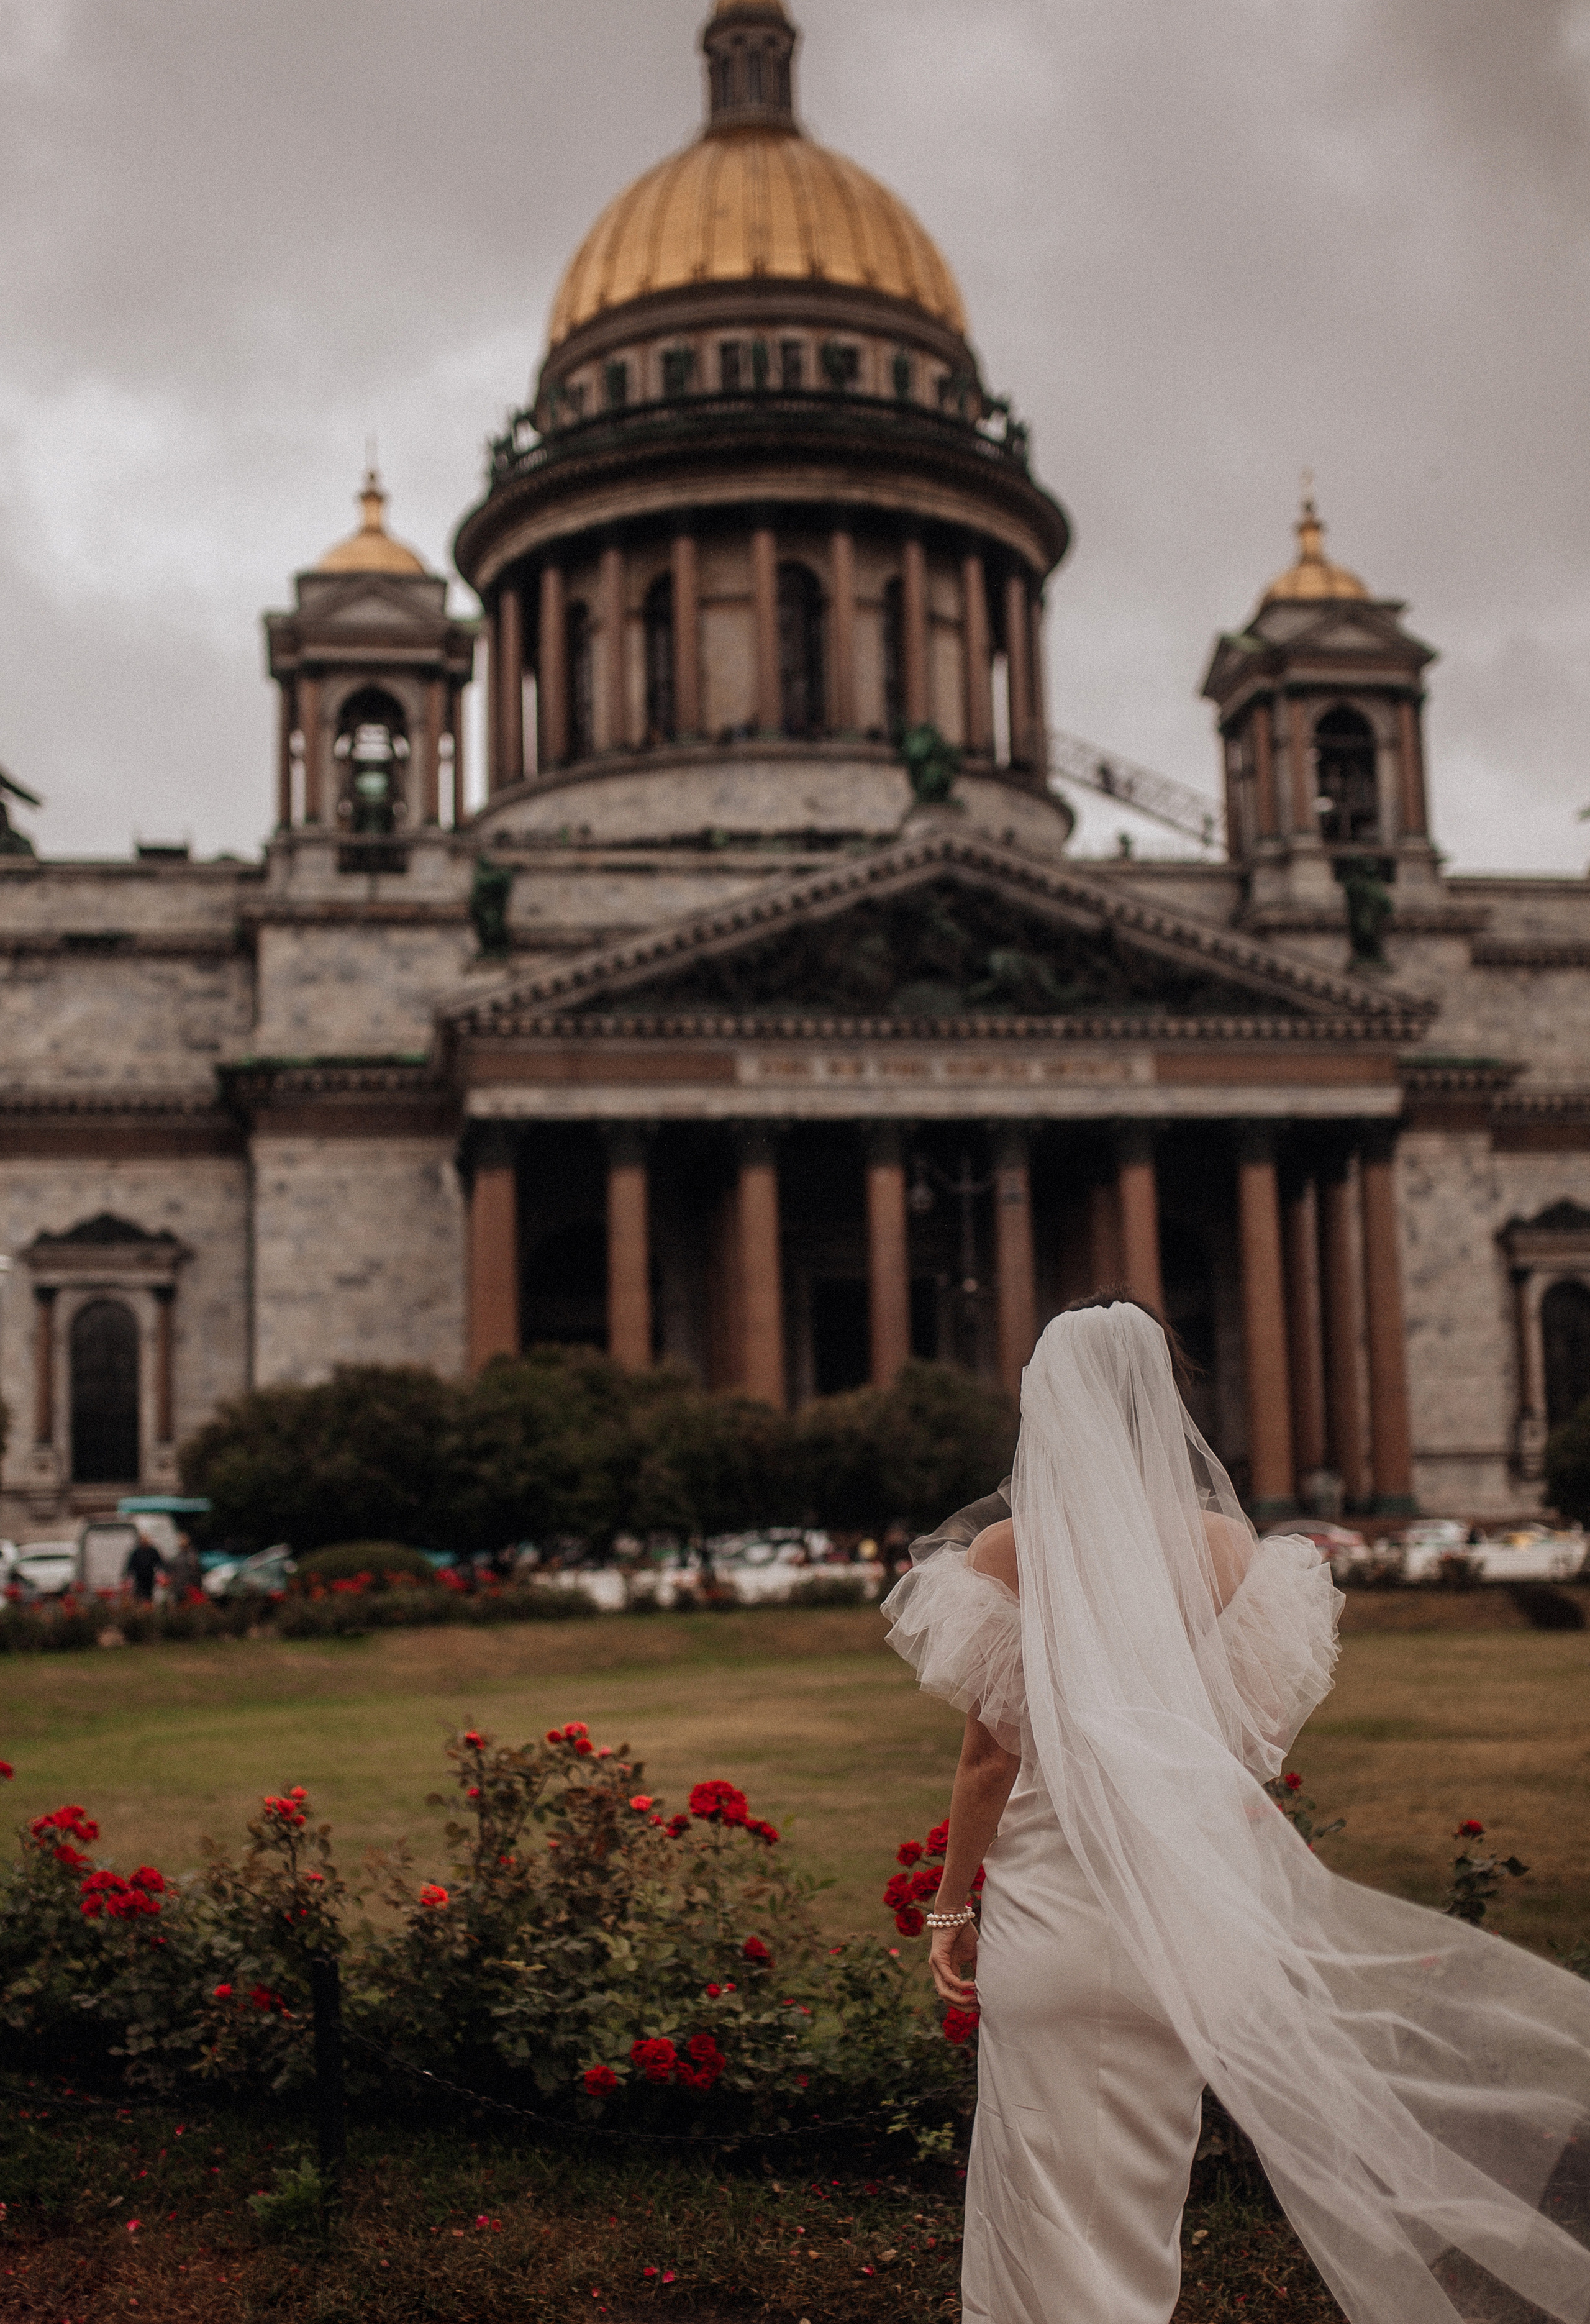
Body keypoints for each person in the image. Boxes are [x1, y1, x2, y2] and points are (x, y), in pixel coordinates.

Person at [883, 1295, 1590, 2324]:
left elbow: (991, 1760)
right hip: (1174, 1921)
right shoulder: (1228, 1551)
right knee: (1141, 2197)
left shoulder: (1008, 1554)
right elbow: (1249, 1735)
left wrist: (950, 1909)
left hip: (1053, 1916)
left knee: (1035, 2182)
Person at [123, 1529, 166, 1604]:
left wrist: (161, 1574)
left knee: (149, 1596)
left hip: (149, 1578)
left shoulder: (153, 1551)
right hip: (139, 1578)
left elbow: (159, 1563)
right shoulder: (136, 1552)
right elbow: (130, 1565)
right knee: (139, 1595)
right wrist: (128, 1576)